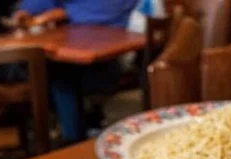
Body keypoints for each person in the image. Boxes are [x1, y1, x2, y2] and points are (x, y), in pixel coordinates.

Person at [11, 0, 140, 143]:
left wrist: (63, 14)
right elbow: (35, 7)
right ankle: (70, 137)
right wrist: (25, 12)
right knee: (47, 68)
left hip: (111, 59)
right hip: (64, 53)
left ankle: (72, 140)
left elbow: (111, 8)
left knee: (58, 73)